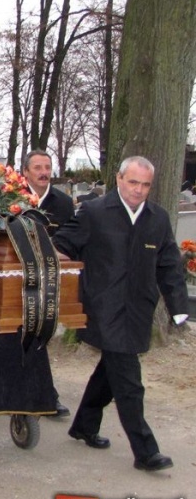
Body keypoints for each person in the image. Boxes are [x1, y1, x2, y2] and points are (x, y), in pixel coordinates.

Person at [52, 155, 188, 473]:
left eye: (145, 185)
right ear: (119, 179)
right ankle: (145, 451)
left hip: (139, 308)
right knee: (129, 382)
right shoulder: (95, 213)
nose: (138, 190)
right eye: (133, 182)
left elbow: (169, 264)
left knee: (111, 370)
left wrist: (179, 308)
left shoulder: (157, 218)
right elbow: (63, 245)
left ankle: (84, 424)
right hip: (103, 309)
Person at [22, 150, 75, 417]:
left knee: (40, 336)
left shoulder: (63, 203)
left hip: (50, 282)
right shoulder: (12, 197)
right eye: (38, 167)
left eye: (47, 167)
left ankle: (43, 395)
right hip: (17, 282)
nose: (44, 172)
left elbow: (69, 238)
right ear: (26, 172)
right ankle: (42, 395)